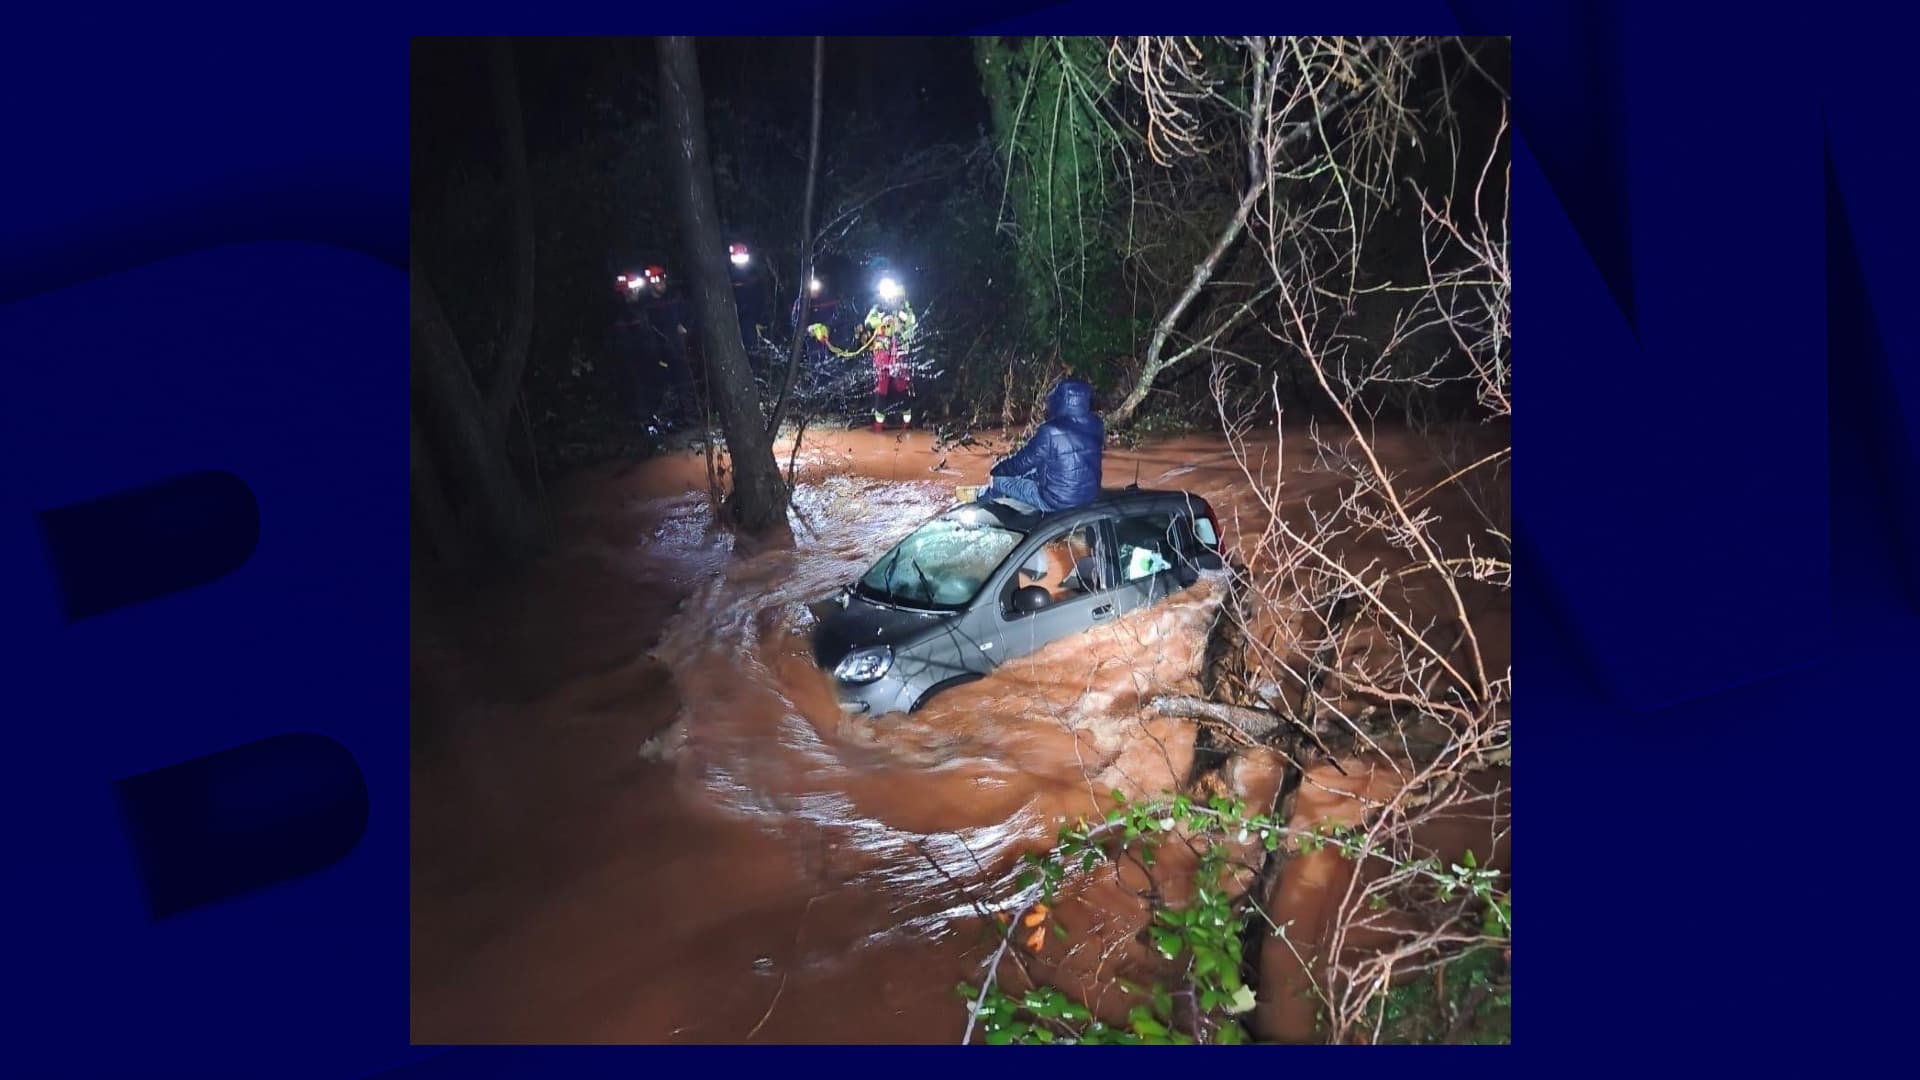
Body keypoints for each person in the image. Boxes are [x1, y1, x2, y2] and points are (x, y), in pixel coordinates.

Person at [980, 377, 1103, 512]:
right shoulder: (1097, 424)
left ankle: (983, 510)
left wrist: (997, 470)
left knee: (998, 481)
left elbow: (1022, 462)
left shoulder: (1050, 430)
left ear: (1061, 400)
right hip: (1090, 497)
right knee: (1033, 471)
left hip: (1057, 502)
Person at [865, 283, 918, 431]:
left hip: (899, 352)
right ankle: (878, 424)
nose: (893, 299)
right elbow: (868, 322)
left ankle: (907, 422)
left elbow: (912, 323)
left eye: (897, 297)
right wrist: (883, 319)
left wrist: (899, 317)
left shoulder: (906, 310)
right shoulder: (878, 309)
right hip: (882, 352)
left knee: (901, 385)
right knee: (881, 386)